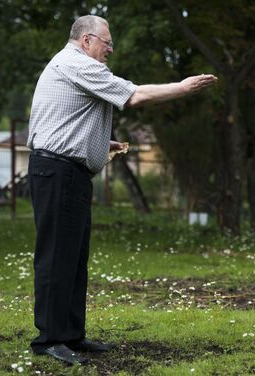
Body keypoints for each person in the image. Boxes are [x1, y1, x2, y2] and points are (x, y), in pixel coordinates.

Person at [26, 15, 217, 365]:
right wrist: (182, 87)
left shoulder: (72, 66)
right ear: (86, 40)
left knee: (74, 258)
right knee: (56, 256)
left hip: (67, 172)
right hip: (57, 172)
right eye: (106, 42)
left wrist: (100, 142)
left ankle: (71, 335)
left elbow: (63, 117)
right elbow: (136, 95)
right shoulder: (77, 63)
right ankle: (49, 340)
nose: (110, 49)